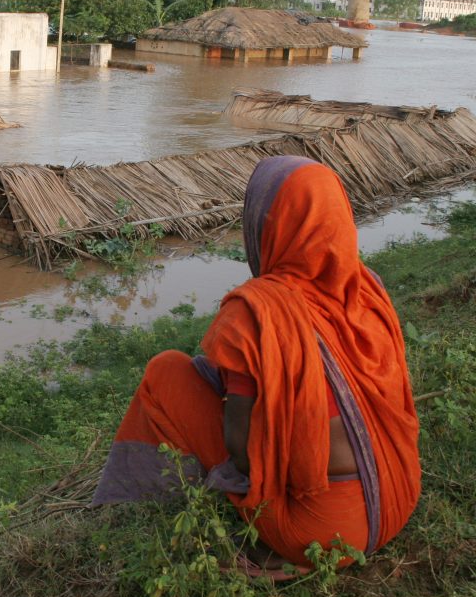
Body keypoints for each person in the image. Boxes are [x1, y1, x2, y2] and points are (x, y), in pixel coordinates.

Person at [92, 155, 421, 575]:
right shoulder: (367, 290)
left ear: (267, 226)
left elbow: (241, 454)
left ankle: (190, 506)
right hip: (397, 499)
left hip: (316, 535)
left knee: (167, 371)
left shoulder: (257, 313)